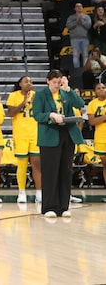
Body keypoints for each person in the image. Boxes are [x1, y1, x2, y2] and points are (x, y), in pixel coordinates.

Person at [32, 70, 87, 218]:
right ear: (48, 81)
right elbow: (36, 114)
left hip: (67, 134)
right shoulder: (41, 95)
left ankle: (64, 206)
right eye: (54, 82)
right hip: (50, 135)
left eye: (59, 82)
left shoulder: (65, 93)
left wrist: (68, 89)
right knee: (50, 172)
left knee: (65, 171)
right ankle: (49, 206)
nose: (57, 85)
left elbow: (80, 104)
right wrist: (51, 115)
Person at [6, 75, 42, 204]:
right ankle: (21, 192)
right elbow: (10, 114)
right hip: (20, 135)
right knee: (21, 166)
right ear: (20, 84)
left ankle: (39, 193)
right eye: (26, 81)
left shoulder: (37, 95)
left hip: (35, 134)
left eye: (31, 81)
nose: (29, 83)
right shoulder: (14, 96)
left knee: (37, 165)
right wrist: (24, 102)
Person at [86, 82, 106, 189]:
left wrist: (100, 118)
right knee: (105, 166)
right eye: (99, 88)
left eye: (103, 88)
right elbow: (92, 121)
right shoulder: (92, 104)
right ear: (95, 92)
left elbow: (96, 119)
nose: (102, 90)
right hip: (101, 138)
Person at [65, 3, 91, 69]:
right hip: (74, 39)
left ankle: (85, 68)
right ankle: (76, 69)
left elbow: (88, 26)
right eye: (77, 6)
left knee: (85, 55)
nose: (79, 8)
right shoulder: (71, 17)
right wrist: (76, 20)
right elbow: (69, 26)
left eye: (80, 6)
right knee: (76, 55)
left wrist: (81, 19)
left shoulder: (86, 17)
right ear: (75, 8)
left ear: (82, 8)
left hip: (85, 38)